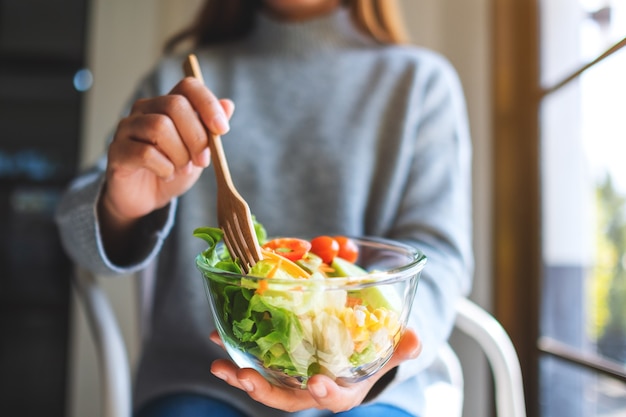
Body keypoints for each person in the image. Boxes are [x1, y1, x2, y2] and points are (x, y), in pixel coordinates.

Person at [55, 0, 474, 416]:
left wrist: (368, 362)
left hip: (370, 388)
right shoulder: (177, 82)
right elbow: (76, 238)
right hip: (203, 380)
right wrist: (120, 205)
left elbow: (439, 253)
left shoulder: (420, 83)